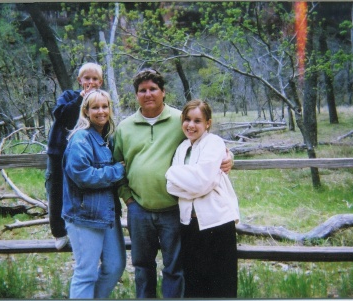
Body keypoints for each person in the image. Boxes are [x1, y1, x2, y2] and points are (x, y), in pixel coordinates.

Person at [113, 69, 234, 298]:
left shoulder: (180, 120)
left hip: (173, 210)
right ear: (136, 95)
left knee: (174, 268)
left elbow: (207, 141)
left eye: (153, 89)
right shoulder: (124, 128)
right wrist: (128, 198)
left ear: (163, 92)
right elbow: (116, 164)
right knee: (142, 266)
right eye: (142, 90)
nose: (148, 94)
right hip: (138, 208)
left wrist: (229, 156)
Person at [165, 99, 240, 298]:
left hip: (217, 223)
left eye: (197, 120)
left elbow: (201, 182)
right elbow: (171, 186)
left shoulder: (214, 143)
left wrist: (174, 174)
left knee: (221, 284)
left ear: (207, 123)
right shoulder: (182, 148)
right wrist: (183, 179)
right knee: (195, 283)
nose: (191, 125)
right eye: (187, 119)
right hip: (189, 224)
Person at [62, 89, 126, 299]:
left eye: (105, 106)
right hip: (84, 216)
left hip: (107, 214)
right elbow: (82, 175)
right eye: (95, 107)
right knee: (86, 273)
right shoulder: (81, 138)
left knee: (115, 266)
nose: (101, 111)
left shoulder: (108, 137)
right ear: (86, 111)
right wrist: (117, 170)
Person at [46, 62, 104, 249]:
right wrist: (80, 99)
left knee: (81, 191)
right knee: (56, 191)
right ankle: (59, 232)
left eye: (95, 79)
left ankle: (83, 226)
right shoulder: (69, 96)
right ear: (80, 80)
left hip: (83, 156)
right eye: (87, 78)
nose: (90, 82)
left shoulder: (99, 101)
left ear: (100, 82)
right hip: (59, 152)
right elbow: (60, 114)